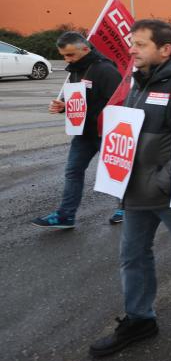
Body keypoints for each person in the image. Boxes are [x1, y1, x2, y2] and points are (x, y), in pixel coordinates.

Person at [89, 20, 171, 358]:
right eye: (131, 43)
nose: (131, 49)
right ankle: (140, 319)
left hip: (166, 191)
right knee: (132, 255)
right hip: (135, 190)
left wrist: (166, 181)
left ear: (164, 50)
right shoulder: (140, 79)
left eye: (140, 44)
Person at [32, 31, 122, 229]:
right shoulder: (75, 69)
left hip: (105, 132)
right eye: (64, 55)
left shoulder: (105, 70)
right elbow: (75, 98)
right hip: (83, 133)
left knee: (115, 172)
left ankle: (125, 208)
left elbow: (118, 103)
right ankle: (66, 216)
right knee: (73, 171)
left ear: (85, 49)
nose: (67, 59)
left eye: (70, 55)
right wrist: (63, 105)